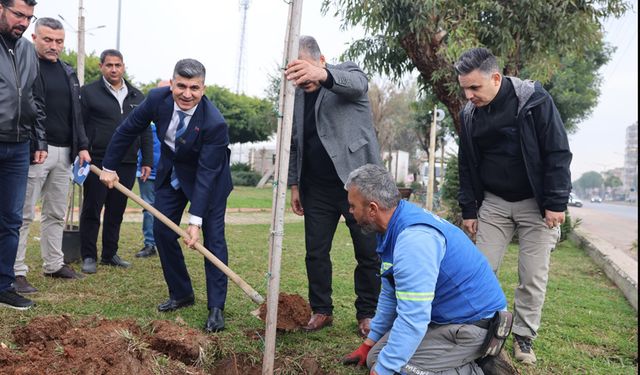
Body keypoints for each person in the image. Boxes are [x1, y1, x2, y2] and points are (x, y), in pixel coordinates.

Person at [455, 47, 572, 365]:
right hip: (493, 203)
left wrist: (556, 202)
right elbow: (466, 164)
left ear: (496, 77)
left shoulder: (533, 99)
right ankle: (480, 330)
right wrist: (469, 209)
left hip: (537, 204)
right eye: (464, 88)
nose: (468, 95)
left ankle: (524, 337)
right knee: (479, 270)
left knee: (532, 275)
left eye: (474, 88)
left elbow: (557, 151)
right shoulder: (469, 114)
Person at [99, 59, 233, 333]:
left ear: (203, 89)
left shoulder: (214, 123)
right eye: (181, 86)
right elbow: (127, 130)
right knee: (162, 231)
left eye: (194, 88)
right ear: (171, 83)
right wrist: (109, 167)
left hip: (208, 179)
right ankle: (181, 292)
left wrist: (194, 222)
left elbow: (207, 174)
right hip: (172, 174)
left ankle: (216, 307)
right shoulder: (157, 99)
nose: (186, 94)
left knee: (214, 239)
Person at [342, 164, 508, 375]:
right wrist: (368, 344)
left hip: (475, 324)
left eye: (352, 206)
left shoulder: (414, 240)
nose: (350, 211)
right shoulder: (391, 227)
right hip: (444, 318)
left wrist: (383, 371)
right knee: (377, 358)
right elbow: (390, 294)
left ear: (373, 209)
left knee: (397, 368)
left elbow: (414, 318)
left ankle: (482, 367)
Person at [285, 35, 382, 337]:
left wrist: (322, 75)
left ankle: (367, 313)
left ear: (321, 60)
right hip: (316, 188)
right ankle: (321, 310)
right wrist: (295, 184)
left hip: (357, 185)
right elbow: (294, 142)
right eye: (295, 72)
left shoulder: (345, 74)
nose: (302, 78)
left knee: (368, 252)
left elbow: (359, 84)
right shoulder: (296, 95)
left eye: (306, 69)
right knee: (315, 252)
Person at [11, 17, 89, 295]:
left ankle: (54, 263)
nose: (53, 46)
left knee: (56, 212)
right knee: (22, 214)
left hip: (65, 152)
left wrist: (81, 145)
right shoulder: (24, 67)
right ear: (34, 38)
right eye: (47, 40)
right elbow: (27, 110)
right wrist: (36, 143)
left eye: (58, 41)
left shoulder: (68, 71)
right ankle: (15, 270)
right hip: (35, 151)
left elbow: (75, 114)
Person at [79, 49, 152, 274]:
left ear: (123, 66)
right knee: (93, 208)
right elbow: (79, 124)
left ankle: (110, 254)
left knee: (116, 210)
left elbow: (145, 130)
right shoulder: (88, 93)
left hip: (128, 162)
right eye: (109, 65)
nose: (113, 69)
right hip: (97, 161)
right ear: (101, 66)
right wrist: (82, 148)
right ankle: (89, 256)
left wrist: (147, 160)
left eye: (117, 65)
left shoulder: (138, 97)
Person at [0, 0, 46, 310]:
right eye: (18, 14)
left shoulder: (28, 50)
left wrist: (39, 138)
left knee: (11, 219)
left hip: (18, 145)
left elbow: (32, 97)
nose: (24, 22)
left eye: (29, 17)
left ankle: (4, 285)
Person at [134, 80, 169, 258]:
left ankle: (166, 243)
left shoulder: (175, 115)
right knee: (149, 209)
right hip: (149, 172)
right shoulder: (146, 115)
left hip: (170, 174)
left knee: (168, 210)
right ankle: (150, 244)